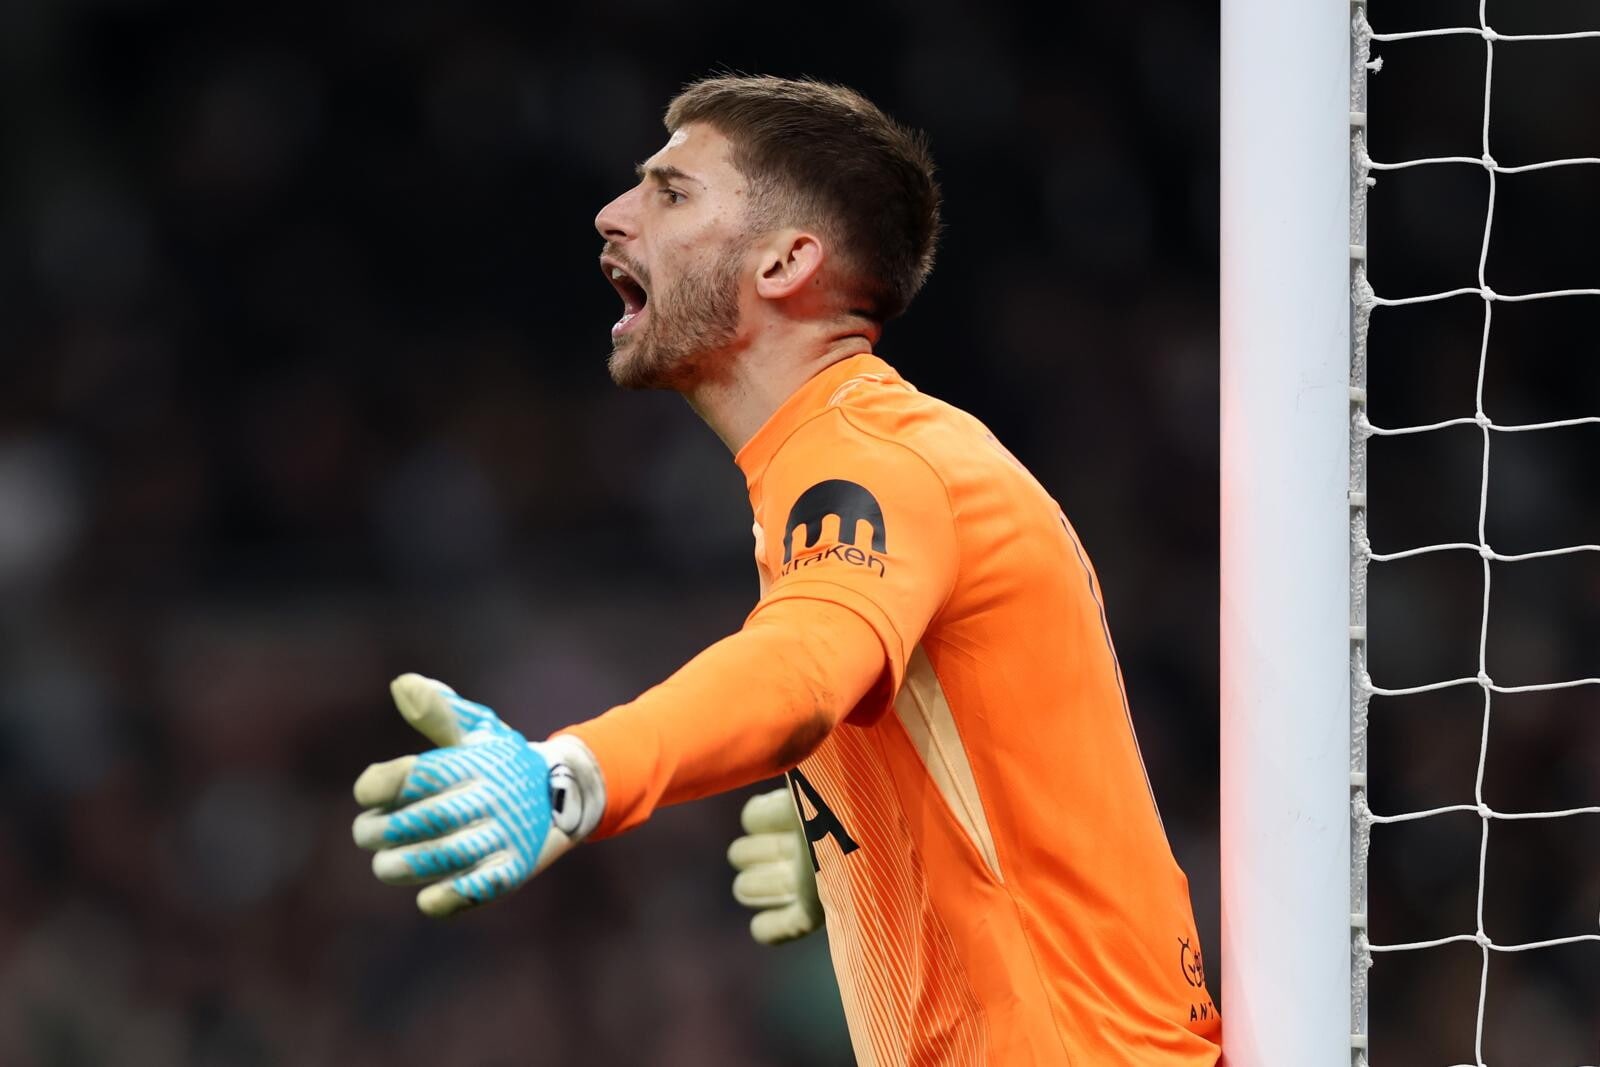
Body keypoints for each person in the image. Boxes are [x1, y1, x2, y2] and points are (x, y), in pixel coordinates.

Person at [351, 74, 1222, 1065]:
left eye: (671, 191)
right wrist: (859, 846)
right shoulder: (855, 463)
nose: (613, 213)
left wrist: (573, 775)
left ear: (785, 261)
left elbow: (799, 670)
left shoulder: (873, 458)